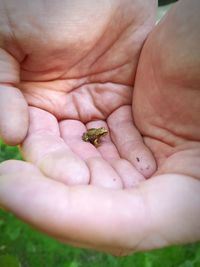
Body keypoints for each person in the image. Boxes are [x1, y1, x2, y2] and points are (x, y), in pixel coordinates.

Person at [0, 0, 199, 256]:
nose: (104, 135)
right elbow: (91, 136)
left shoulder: (102, 131)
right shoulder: (95, 133)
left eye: (103, 135)